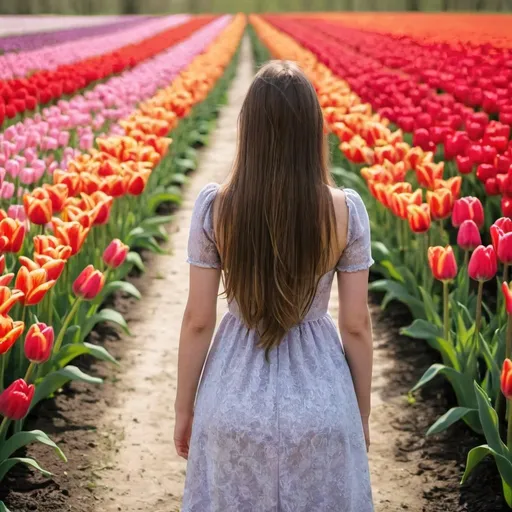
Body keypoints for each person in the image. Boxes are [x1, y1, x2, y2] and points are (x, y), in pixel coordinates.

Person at [174, 60, 374, 512]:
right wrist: (357, 414)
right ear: (313, 131)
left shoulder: (216, 208)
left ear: (249, 130)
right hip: (322, 395)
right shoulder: (345, 211)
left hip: (232, 394)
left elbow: (198, 320)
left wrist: (184, 410)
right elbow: (357, 325)